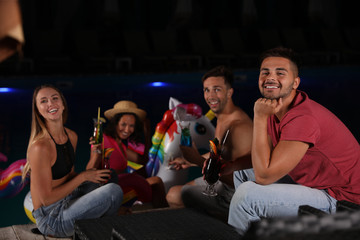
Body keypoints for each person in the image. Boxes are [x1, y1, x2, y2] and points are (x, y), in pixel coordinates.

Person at [227, 47, 360, 235]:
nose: (270, 78)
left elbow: (264, 176)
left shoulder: (302, 119)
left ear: (295, 82)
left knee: (246, 196)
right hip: (317, 184)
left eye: (280, 73)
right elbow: (265, 156)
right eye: (265, 72)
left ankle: (251, 224)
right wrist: (232, 165)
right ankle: (263, 230)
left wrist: (259, 118)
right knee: (242, 173)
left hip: (342, 200)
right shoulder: (276, 107)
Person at [22, 85, 123, 238]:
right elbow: (46, 199)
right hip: (51, 218)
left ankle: (99, 225)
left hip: (68, 198)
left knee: (109, 175)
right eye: (43, 101)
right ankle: (102, 228)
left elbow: (70, 177)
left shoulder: (71, 136)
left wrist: (94, 155)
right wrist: (84, 177)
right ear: (38, 110)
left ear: (62, 105)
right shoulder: (40, 147)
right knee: (113, 191)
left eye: (55, 98)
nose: (50, 103)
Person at [166, 65, 253, 221]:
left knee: (174, 195)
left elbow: (241, 182)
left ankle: (223, 227)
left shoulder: (239, 127)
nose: (210, 96)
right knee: (182, 189)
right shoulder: (222, 116)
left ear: (229, 92)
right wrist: (188, 161)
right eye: (207, 90)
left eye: (217, 89)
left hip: (240, 195)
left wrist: (197, 160)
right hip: (223, 182)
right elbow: (220, 153)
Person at [100, 100, 169, 210]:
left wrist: (147, 135)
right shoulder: (103, 140)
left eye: (131, 125)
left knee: (142, 171)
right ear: (115, 123)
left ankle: (158, 213)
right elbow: (93, 167)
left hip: (122, 184)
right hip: (112, 188)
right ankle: (165, 215)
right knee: (156, 181)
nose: (127, 130)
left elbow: (143, 161)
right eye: (123, 124)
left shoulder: (121, 145)